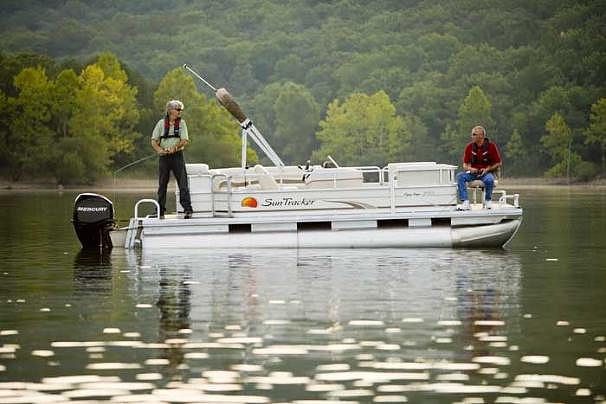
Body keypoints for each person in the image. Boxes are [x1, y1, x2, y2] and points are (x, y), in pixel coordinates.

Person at [151, 100, 193, 219]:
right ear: (170, 111)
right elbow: (154, 141)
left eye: (181, 110)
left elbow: (184, 140)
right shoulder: (160, 123)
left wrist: (175, 147)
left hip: (177, 156)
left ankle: (187, 209)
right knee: (162, 184)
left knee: (183, 183)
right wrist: (159, 150)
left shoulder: (182, 123)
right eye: (178, 110)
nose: (180, 112)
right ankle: (160, 210)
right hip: (164, 157)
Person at [456, 125, 501, 210]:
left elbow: (498, 163)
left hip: (486, 172)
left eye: (474, 134)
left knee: (489, 179)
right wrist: (470, 169)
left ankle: (488, 200)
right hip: (473, 173)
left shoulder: (491, 146)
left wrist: (487, 169)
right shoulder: (469, 147)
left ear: (481, 135)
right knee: (460, 176)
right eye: (472, 134)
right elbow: (465, 165)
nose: (472, 136)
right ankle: (465, 202)